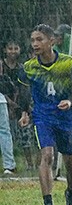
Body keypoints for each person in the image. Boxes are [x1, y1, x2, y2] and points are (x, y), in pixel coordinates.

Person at [17, 24, 72, 205]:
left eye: (40, 40)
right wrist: (24, 113)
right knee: (47, 156)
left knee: (71, 163)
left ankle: (70, 194)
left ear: (52, 41)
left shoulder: (68, 63)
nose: (35, 44)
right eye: (32, 40)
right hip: (43, 116)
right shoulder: (29, 67)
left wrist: (70, 101)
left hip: (65, 118)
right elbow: (24, 93)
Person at [2, 40, 35, 171]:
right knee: (6, 131)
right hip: (4, 100)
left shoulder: (22, 68)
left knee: (25, 131)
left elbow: (23, 87)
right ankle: (9, 163)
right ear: (5, 50)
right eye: (10, 48)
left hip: (20, 103)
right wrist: (9, 102)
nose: (13, 51)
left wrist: (19, 105)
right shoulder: (2, 66)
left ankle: (31, 164)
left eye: (16, 48)